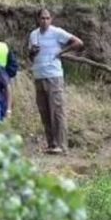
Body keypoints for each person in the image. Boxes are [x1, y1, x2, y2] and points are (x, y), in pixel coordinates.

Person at [28, 9, 84, 154]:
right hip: (39, 75)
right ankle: (51, 144)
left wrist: (62, 52)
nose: (44, 21)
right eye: (42, 18)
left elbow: (78, 42)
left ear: (51, 19)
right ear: (37, 19)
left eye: (47, 18)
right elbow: (30, 56)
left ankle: (62, 144)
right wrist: (32, 51)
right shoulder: (34, 35)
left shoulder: (57, 32)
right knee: (44, 111)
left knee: (57, 111)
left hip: (54, 75)